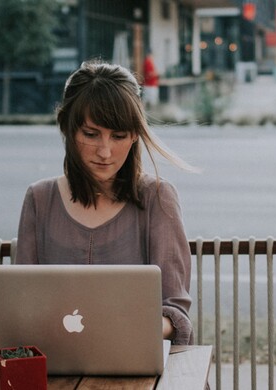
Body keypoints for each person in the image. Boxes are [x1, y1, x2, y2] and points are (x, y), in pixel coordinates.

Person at [15, 60, 193, 345]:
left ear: (135, 135)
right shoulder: (39, 199)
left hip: (139, 371)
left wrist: (124, 330)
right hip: (57, 368)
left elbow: (175, 314)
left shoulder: (158, 197)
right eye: (90, 134)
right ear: (68, 129)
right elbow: (21, 302)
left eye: (119, 136)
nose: (105, 151)